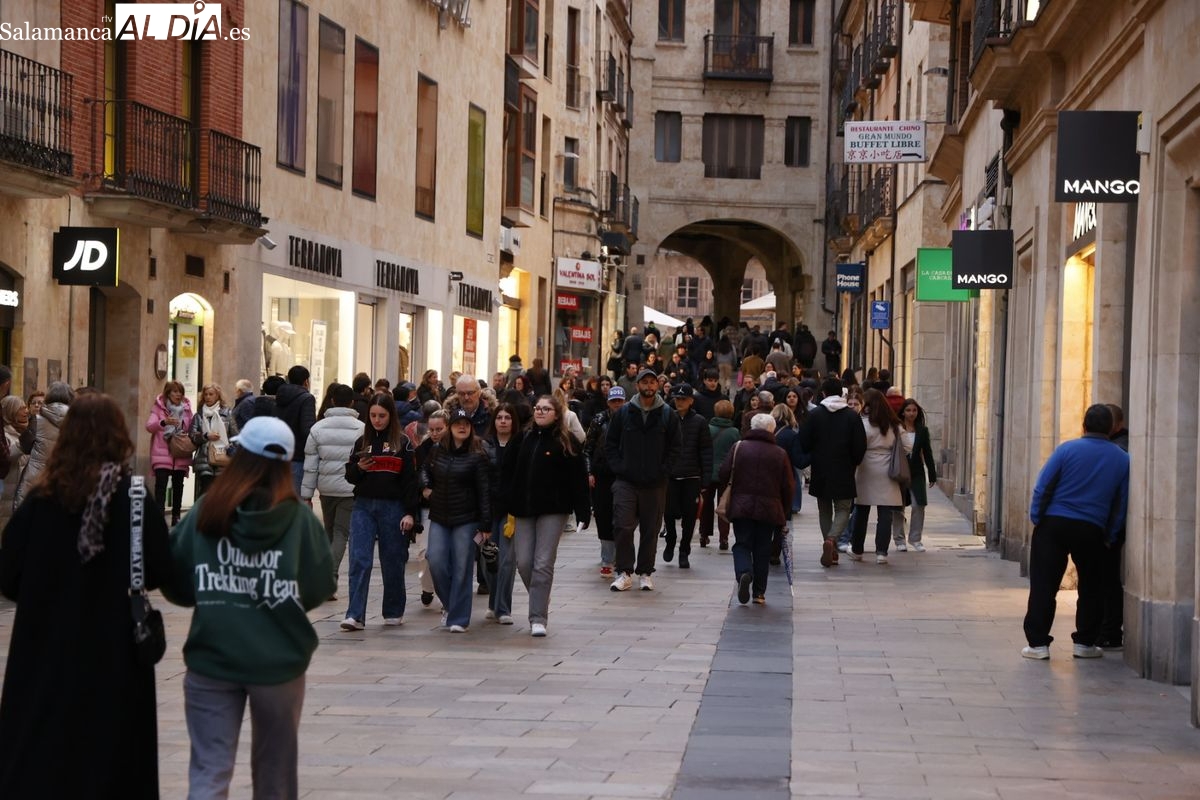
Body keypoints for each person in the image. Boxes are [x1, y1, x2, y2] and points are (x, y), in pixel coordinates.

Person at [0, 393, 172, 798]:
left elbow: (8, 577)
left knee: (44, 755)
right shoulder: (133, 498)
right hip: (114, 656)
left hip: (45, 652)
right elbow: (162, 570)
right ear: (118, 437)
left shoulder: (41, 501)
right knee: (112, 759)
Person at [162, 416, 333, 799]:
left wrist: (212, 593)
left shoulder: (208, 509)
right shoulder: (299, 520)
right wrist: (278, 598)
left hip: (213, 659)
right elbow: (320, 584)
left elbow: (176, 578)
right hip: (279, 662)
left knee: (209, 772)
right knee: (275, 779)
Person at [1022, 404, 1130, 660]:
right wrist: (1110, 535)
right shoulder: (1122, 459)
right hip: (1092, 528)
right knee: (1091, 587)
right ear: (1112, 428)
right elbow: (1121, 504)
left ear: (1084, 425)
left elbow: (1043, 485)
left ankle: (1037, 644)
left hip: (1054, 524)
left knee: (1043, 586)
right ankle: (1084, 643)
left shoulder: (1067, 449)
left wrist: (1037, 517)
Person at [501, 394, 590, 636]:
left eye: (546, 409)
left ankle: (537, 617)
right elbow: (506, 470)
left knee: (542, 562)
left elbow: (578, 479)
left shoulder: (566, 441)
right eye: (538, 408)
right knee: (524, 562)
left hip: (554, 509)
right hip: (523, 508)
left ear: (556, 414)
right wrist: (507, 498)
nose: (540, 412)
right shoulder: (523, 438)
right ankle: (541, 596)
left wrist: (583, 510)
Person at [340, 394, 419, 630]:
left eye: (382, 416)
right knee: (359, 560)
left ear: (390, 416)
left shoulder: (403, 443)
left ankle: (393, 610)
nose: (377, 420)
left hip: (393, 507)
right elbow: (350, 477)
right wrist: (358, 468)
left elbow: (410, 481)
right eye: (373, 415)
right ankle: (355, 614)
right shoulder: (360, 442)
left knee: (393, 559)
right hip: (363, 505)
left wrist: (410, 513)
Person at [605, 368, 681, 592]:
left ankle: (646, 572)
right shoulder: (624, 413)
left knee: (650, 528)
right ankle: (624, 571)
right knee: (622, 525)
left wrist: (664, 470)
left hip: (655, 482)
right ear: (637, 386)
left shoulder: (667, 414)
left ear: (657, 386)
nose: (648, 386)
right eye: (644, 382)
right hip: (626, 480)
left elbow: (676, 447)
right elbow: (610, 444)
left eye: (652, 382)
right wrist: (620, 467)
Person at [421, 408, 492, 632]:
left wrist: (486, 524)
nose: (462, 427)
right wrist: (425, 487)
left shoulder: (478, 455)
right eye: (457, 423)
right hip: (440, 514)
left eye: (467, 424)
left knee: (462, 566)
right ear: (449, 428)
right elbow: (424, 470)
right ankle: (451, 604)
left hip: (466, 517)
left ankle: (458, 618)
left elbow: (484, 491)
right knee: (435, 559)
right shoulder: (437, 451)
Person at [718, 413, 794, 606]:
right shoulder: (780, 453)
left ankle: (744, 572)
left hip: (741, 506)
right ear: (772, 429)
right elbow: (788, 486)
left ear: (751, 427)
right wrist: (783, 512)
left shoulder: (739, 448)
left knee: (742, 544)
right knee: (763, 548)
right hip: (769, 509)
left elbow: (723, 473)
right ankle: (759, 593)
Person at [302, 383, 364, 599]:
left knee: (329, 532)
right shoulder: (361, 428)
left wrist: (307, 494)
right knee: (341, 533)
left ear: (332, 401)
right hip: (350, 488)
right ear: (352, 403)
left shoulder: (318, 428)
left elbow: (310, 465)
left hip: (326, 488)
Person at [798, 377, 867, 568]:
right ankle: (832, 540)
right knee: (844, 508)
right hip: (844, 468)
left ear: (823, 393)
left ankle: (831, 545)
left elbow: (803, 441)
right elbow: (860, 445)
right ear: (842, 393)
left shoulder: (815, 415)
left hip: (821, 468)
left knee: (825, 509)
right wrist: (854, 462)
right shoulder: (852, 417)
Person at [849, 388, 904, 564]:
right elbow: (908, 444)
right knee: (885, 512)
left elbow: (855, 445)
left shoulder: (862, 423)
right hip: (888, 466)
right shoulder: (894, 425)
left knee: (862, 510)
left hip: (866, 466)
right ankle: (882, 553)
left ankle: (857, 549)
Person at [662, 384, 712, 570]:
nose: (680, 402)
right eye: (677, 399)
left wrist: (705, 479)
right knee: (668, 512)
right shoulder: (668, 418)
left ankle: (684, 550)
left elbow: (706, 450)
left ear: (691, 401)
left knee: (690, 517)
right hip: (671, 476)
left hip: (691, 476)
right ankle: (670, 539)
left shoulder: (700, 422)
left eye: (683, 399)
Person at [584, 386, 626, 579]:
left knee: (623, 516)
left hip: (624, 475)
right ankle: (607, 558)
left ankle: (620, 556)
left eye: (620, 401)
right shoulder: (599, 420)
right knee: (603, 515)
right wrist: (589, 472)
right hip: (601, 474)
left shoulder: (631, 420)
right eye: (614, 401)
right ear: (608, 402)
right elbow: (588, 449)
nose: (617, 405)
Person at [484, 404, 520, 624]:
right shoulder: (484, 445)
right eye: (500, 418)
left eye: (508, 417)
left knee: (507, 560)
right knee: (489, 559)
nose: (504, 421)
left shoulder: (520, 444)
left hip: (511, 511)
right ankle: (493, 600)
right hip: (488, 510)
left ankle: (503, 608)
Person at [1097, 404, 1129, 650]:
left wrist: (1112, 530)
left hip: (1110, 526)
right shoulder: (1116, 447)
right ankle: (1106, 630)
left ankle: (1109, 632)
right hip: (1107, 524)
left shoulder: (1119, 450)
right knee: (1105, 579)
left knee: (1106, 580)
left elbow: (1118, 497)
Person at [411, 410, 448, 609]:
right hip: (428, 506)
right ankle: (427, 587)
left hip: (451, 506)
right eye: (432, 429)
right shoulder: (422, 450)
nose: (435, 433)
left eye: (439, 429)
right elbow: (418, 474)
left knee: (446, 553)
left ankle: (446, 594)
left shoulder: (458, 447)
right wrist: (424, 488)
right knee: (425, 552)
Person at [892, 398, 937, 553]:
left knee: (919, 504)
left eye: (914, 410)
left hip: (917, 471)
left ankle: (915, 539)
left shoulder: (922, 430)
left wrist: (932, 473)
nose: (912, 413)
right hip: (900, 472)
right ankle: (899, 540)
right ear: (903, 412)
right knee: (898, 506)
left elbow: (928, 452)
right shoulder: (896, 428)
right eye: (909, 410)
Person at [144, 380, 190, 526]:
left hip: (180, 451)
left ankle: (176, 516)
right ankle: (159, 517)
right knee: (161, 485)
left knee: (178, 485)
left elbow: (190, 426)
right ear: (168, 393)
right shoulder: (158, 408)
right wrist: (164, 422)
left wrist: (181, 423)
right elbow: (149, 426)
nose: (178, 394)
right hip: (162, 451)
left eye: (180, 392)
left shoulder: (187, 408)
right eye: (175, 391)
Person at [699, 399, 740, 550]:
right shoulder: (734, 432)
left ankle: (704, 535)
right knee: (724, 506)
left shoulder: (707, 429)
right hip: (726, 473)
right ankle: (724, 538)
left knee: (706, 505)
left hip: (708, 472)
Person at [188, 383, 238, 500]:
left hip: (222, 458)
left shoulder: (227, 413)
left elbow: (236, 436)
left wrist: (229, 447)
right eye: (205, 394)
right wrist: (206, 436)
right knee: (205, 492)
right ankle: (201, 516)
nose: (208, 397)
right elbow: (192, 436)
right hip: (204, 459)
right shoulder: (199, 415)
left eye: (211, 394)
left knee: (220, 493)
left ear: (217, 396)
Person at [275, 365, 317, 495]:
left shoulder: (280, 395)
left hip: (279, 454)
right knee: (295, 499)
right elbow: (307, 429)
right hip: (297, 455)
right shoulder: (307, 398)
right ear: (306, 381)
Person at [0, 396, 29, 528]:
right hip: (6, 500)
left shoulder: (24, 432)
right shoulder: (5, 435)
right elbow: (8, 456)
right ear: (11, 412)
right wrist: (25, 440)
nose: (27, 411)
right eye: (21, 408)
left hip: (21, 498)